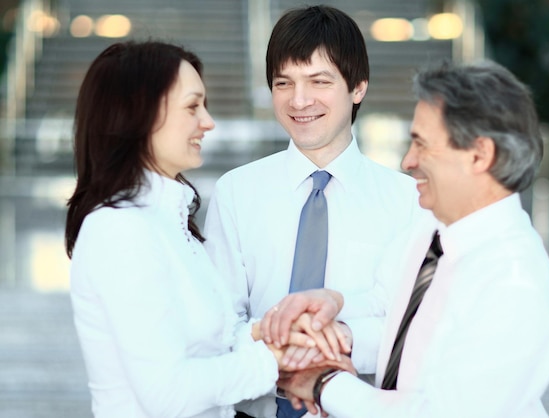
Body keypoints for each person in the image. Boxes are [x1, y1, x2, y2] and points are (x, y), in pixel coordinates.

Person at [273, 60, 549, 417]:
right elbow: (394, 319)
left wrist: (323, 382)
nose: (408, 160)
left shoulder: (516, 283)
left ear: (480, 155)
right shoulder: (431, 230)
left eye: (422, 144)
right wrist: (335, 316)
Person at [64, 40, 346, 418]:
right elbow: (169, 394)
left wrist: (279, 332)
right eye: (192, 106)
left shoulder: (171, 223)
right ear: (141, 114)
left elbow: (215, 345)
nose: (208, 121)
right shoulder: (119, 230)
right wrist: (276, 362)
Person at [202, 5, 424, 418]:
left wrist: (331, 343)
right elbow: (219, 323)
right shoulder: (236, 191)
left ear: (358, 87)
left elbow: (407, 327)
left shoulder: (409, 199)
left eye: (318, 81)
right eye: (283, 83)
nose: (299, 100)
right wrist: (279, 354)